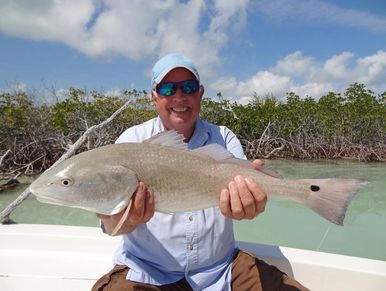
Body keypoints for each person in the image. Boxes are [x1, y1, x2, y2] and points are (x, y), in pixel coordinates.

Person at [92, 53, 308, 291]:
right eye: (168, 89)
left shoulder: (224, 138)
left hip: (222, 269)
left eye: (188, 87)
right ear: (154, 96)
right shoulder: (131, 142)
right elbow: (112, 228)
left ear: (200, 92)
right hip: (147, 271)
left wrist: (248, 206)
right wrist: (124, 221)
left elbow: (244, 200)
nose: (179, 96)